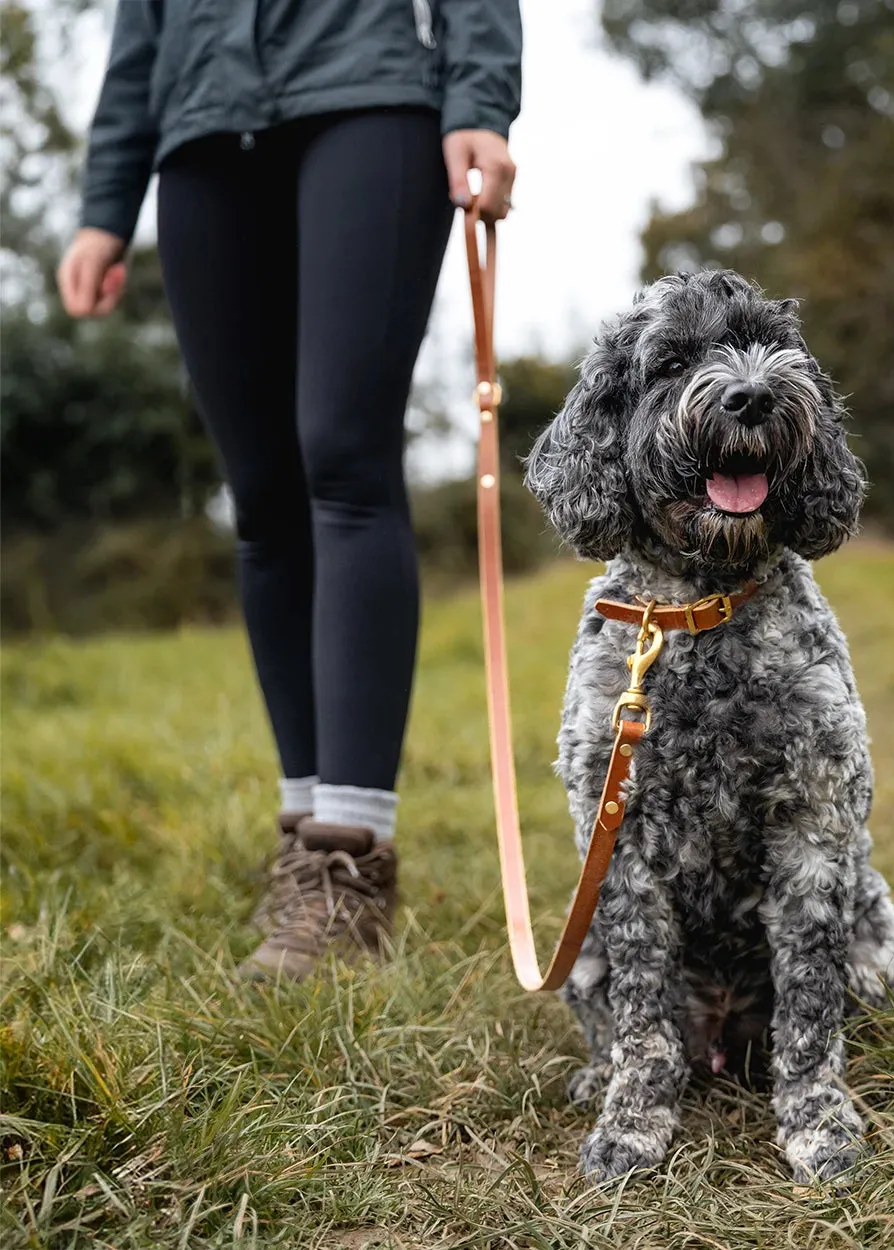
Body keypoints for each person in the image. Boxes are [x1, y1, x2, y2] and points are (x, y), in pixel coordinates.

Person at [58, 0, 521, 980]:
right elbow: (138, 28)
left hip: (366, 98)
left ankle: (349, 854)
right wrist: (106, 204)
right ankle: (304, 835)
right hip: (199, 126)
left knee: (343, 459)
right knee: (262, 499)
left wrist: (477, 98)